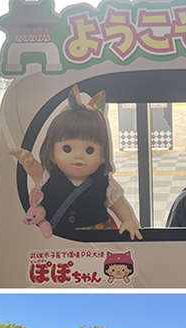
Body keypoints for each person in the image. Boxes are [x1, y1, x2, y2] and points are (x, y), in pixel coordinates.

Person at [9, 85, 142, 240]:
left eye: (89, 150)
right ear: (52, 154)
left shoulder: (106, 183)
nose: (78, 156)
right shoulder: (50, 177)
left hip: (97, 236)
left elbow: (118, 205)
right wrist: (29, 163)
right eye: (67, 148)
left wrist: (128, 220)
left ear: (103, 156)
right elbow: (37, 174)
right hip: (59, 237)